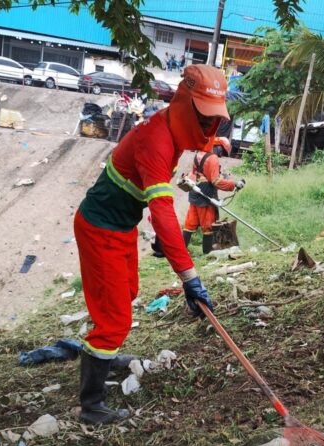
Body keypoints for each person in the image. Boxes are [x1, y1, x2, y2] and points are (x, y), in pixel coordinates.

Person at [74, 64, 227, 425]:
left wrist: (164, 240)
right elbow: (161, 211)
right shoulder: (156, 139)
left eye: (213, 119)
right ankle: (91, 406)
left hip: (121, 226)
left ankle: (104, 358)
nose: (208, 127)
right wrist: (190, 278)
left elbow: (146, 194)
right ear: (183, 105)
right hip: (99, 228)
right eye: (203, 117)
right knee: (114, 319)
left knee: (126, 292)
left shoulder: (171, 137)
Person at [182, 137, 244, 254]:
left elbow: (198, 173)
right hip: (206, 195)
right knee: (208, 226)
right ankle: (207, 252)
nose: (221, 155)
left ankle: (179, 251)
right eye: (222, 151)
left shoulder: (199, 154)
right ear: (218, 147)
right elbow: (216, 181)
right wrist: (233, 184)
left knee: (190, 224)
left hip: (195, 192)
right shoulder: (213, 158)